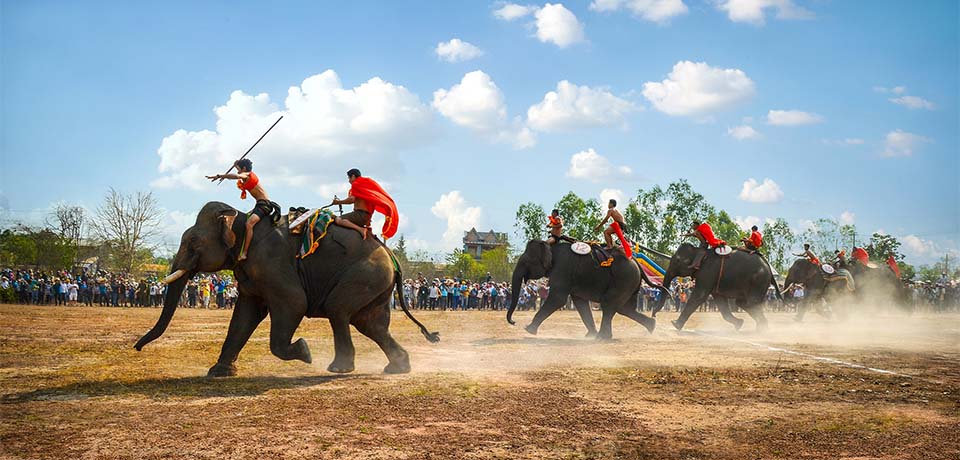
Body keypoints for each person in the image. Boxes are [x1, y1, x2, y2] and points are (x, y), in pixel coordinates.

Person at [205, 159, 277, 262]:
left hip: (264, 205)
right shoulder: (246, 175)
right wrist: (235, 165)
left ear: (244, 168)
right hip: (259, 204)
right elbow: (238, 172)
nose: (237, 170)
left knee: (249, 224)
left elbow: (236, 176)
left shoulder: (247, 175)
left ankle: (245, 253)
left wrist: (220, 175)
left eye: (239, 168)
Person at [330, 168, 400, 241]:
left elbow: (352, 200)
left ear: (353, 176)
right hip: (366, 216)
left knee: (338, 219)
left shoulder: (356, 184)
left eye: (349, 178)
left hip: (360, 214)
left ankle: (360, 229)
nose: (349, 181)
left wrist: (338, 202)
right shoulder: (364, 185)